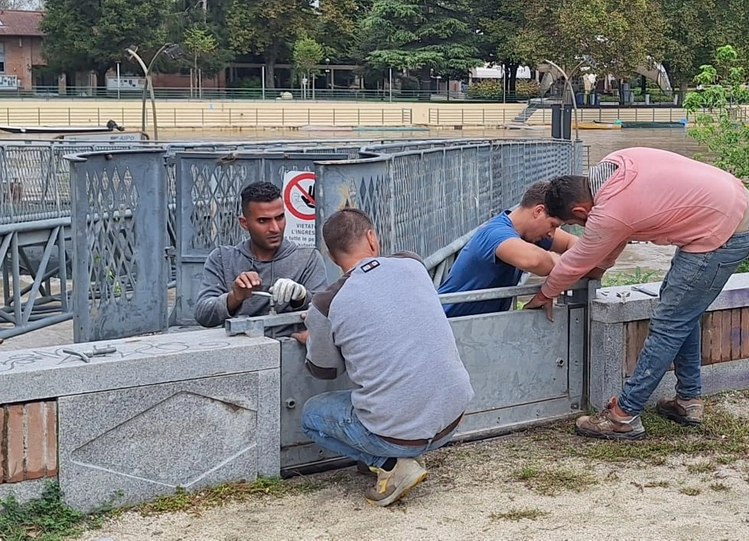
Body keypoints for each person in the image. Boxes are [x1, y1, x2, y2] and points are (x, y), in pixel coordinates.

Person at [526, 147, 749, 440]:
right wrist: (600, 271)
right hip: (730, 206)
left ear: (579, 212)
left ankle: (624, 416)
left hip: (724, 232)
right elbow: (614, 240)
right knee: (681, 311)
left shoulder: (610, 212)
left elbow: (576, 260)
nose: (582, 227)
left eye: (576, 224)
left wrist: (545, 294)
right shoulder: (616, 162)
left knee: (669, 323)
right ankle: (688, 401)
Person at [299, 208, 474, 507]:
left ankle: (391, 464)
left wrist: (314, 336)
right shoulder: (413, 263)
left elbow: (324, 370)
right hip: (453, 419)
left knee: (311, 416)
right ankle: (389, 455)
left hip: (401, 437)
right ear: (372, 237)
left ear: (330, 256)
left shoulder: (325, 303)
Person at [194, 180, 328, 338]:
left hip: (292, 355)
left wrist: (301, 297)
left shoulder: (307, 258)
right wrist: (234, 297)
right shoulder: (222, 258)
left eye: (279, 217)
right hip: (241, 355)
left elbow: (323, 314)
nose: (275, 228)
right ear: (244, 223)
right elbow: (203, 315)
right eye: (263, 221)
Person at [437, 181, 578, 317]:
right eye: (553, 225)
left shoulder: (529, 233)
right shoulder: (496, 233)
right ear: (538, 211)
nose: (551, 234)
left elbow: (574, 244)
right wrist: (566, 263)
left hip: (476, 328)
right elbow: (536, 262)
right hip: (447, 324)